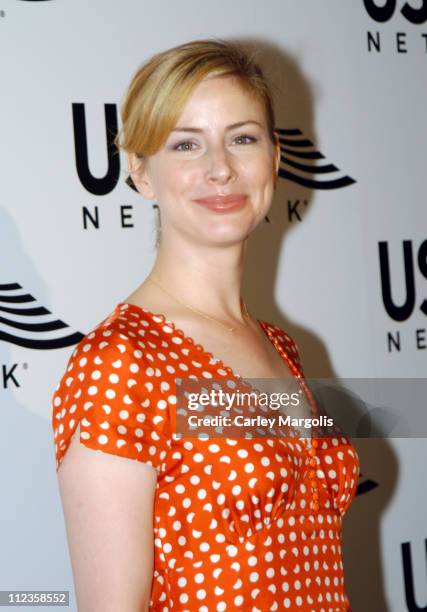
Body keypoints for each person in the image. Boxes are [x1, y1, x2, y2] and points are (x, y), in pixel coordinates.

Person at [52, 38, 360, 611]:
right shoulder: (121, 363)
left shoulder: (281, 347)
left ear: (273, 157)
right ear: (141, 173)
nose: (220, 168)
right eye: (186, 144)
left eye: (243, 138)